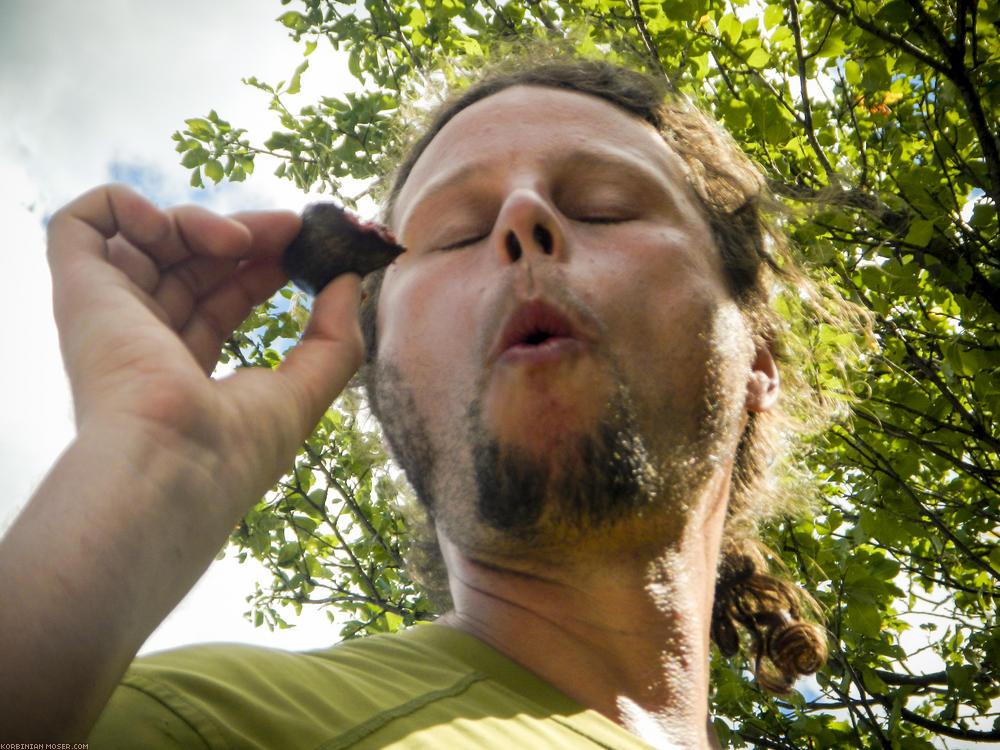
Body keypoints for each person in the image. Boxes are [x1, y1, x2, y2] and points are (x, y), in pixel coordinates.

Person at [0, 58, 841, 748]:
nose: (522, 217)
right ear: (383, 371)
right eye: (455, 235)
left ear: (758, 358)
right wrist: (150, 466)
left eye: (605, 207)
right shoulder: (203, 726)